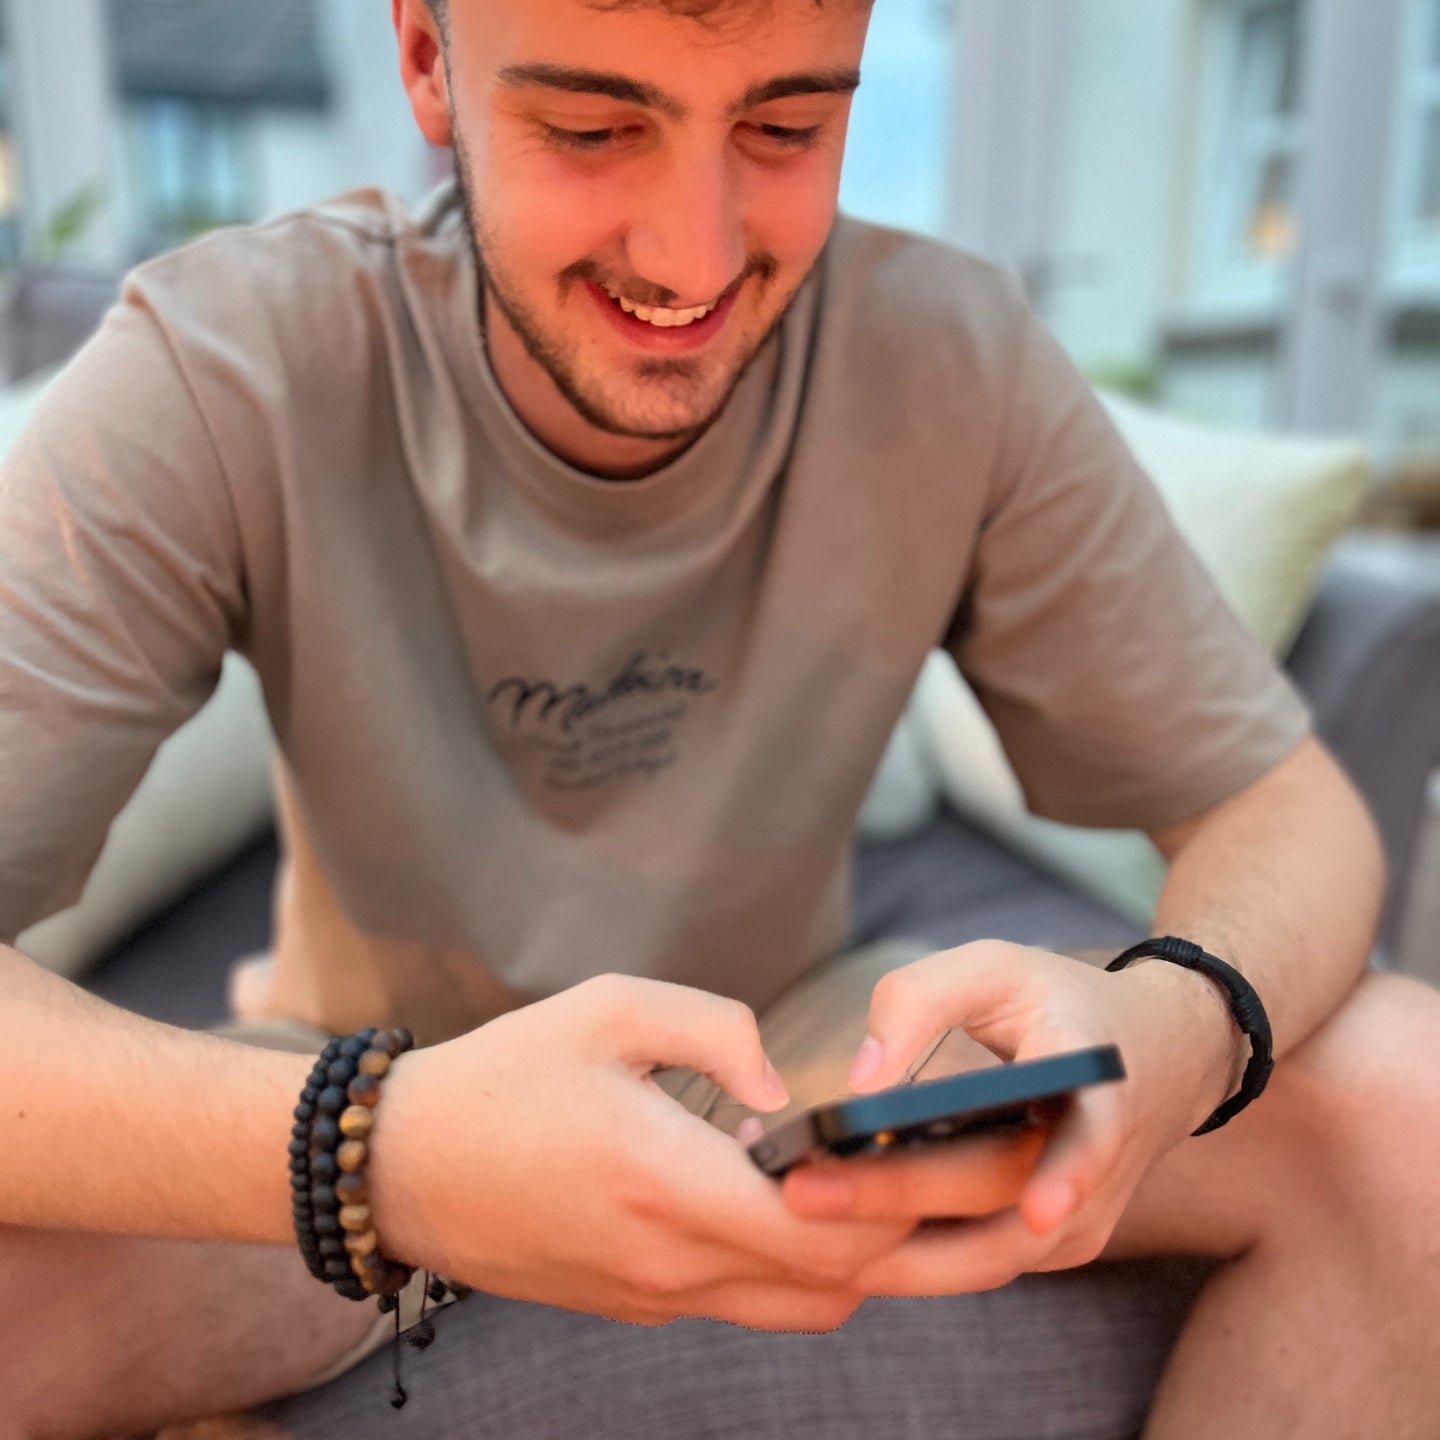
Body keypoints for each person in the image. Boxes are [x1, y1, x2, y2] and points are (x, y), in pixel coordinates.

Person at [2, 0, 1437, 1435]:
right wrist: (381, 1148)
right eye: (590, 129)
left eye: (787, 127)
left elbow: (1279, 802)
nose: (694, 261)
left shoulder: (951, 356)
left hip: (790, 1053)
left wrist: (1178, 1021)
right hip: (374, 1094)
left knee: (1406, 1106)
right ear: (429, 63)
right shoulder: (227, 359)